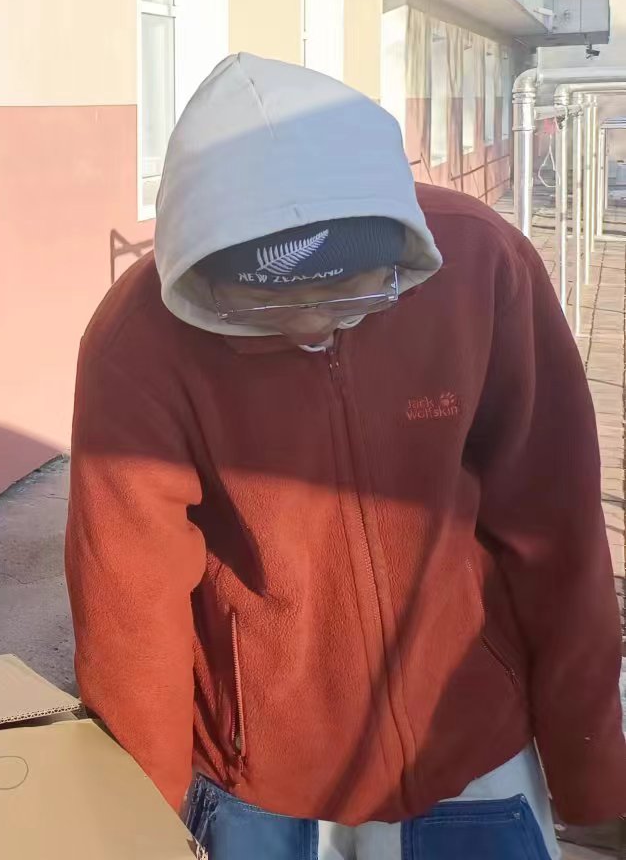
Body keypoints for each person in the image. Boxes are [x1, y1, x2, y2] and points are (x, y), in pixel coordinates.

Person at [67, 53, 626, 859]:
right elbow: (129, 605)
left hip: (473, 751)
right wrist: (138, 831)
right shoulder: (140, 343)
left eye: (350, 295)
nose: (310, 327)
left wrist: (592, 765)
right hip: (261, 779)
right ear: (203, 282)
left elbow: (556, 526)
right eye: (265, 305)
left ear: (401, 258)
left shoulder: (481, 268)